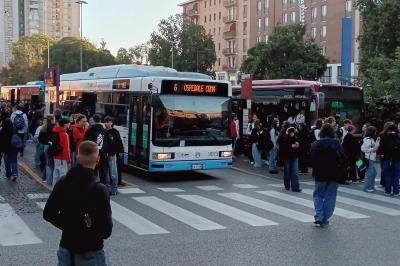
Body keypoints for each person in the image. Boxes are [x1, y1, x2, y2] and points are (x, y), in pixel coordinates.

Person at [43, 141, 113, 266]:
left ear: (78, 157)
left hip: (66, 247)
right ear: (98, 159)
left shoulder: (63, 182)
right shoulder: (99, 189)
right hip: (90, 249)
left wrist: (69, 225)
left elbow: (48, 213)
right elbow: (106, 230)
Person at [311, 124, 348, 227]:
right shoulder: (336, 143)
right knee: (330, 196)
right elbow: (344, 159)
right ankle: (325, 219)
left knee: (317, 195)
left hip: (320, 173)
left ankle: (319, 215)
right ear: (332, 132)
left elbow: (312, 160)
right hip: (334, 174)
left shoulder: (316, 144)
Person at [84, 114, 111, 191]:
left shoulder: (89, 131)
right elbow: (110, 143)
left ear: (93, 120)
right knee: (103, 174)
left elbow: (85, 143)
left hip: (92, 155)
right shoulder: (105, 131)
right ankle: (104, 190)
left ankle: (92, 189)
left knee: (92, 173)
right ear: (100, 121)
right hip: (103, 155)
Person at [377, 124, 400, 196]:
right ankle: (396, 191)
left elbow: (380, 150)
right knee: (396, 176)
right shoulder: (399, 137)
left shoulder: (384, 137)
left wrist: (382, 154)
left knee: (387, 175)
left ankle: (387, 191)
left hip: (386, 159)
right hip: (397, 159)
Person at [104, 116, 124, 195]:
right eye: (105, 122)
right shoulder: (104, 131)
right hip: (105, 154)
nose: (106, 123)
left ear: (111, 123)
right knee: (106, 173)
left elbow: (119, 142)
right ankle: (108, 188)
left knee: (113, 172)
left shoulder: (115, 131)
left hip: (112, 154)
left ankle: (114, 189)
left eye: (108, 122)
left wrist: (120, 151)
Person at [278, 127, 301, 192]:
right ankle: (287, 186)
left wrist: (297, 145)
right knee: (287, 173)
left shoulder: (296, 138)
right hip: (287, 158)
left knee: (295, 173)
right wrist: (292, 146)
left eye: (293, 132)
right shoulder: (285, 139)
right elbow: (285, 147)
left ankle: (295, 187)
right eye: (292, 132)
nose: (293, 134)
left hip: (294, 157)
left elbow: (298, 146)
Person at [52, 118, 71, 186]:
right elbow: (66, 149)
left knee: (56, 174)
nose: (70, 124)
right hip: (62, 157)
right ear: (65, 124)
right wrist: (68, 161)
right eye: (69, 123)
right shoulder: (64, 134)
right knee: (63, 175)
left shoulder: (55, 131)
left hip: (55, 156)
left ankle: (54, 189)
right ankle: (60, 192)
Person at [361, 126, 380, 192]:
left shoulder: (370, 139)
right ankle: (367, 187)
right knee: (370, 174)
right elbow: (363, 149)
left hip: (370, 158)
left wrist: (377, 142)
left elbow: (375, 147)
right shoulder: (368, 140)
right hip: (369, 158)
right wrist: (372, 149)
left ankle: (370, 186)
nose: (376, 132)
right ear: (373, 132)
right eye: (375, 131)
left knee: (373, 173)